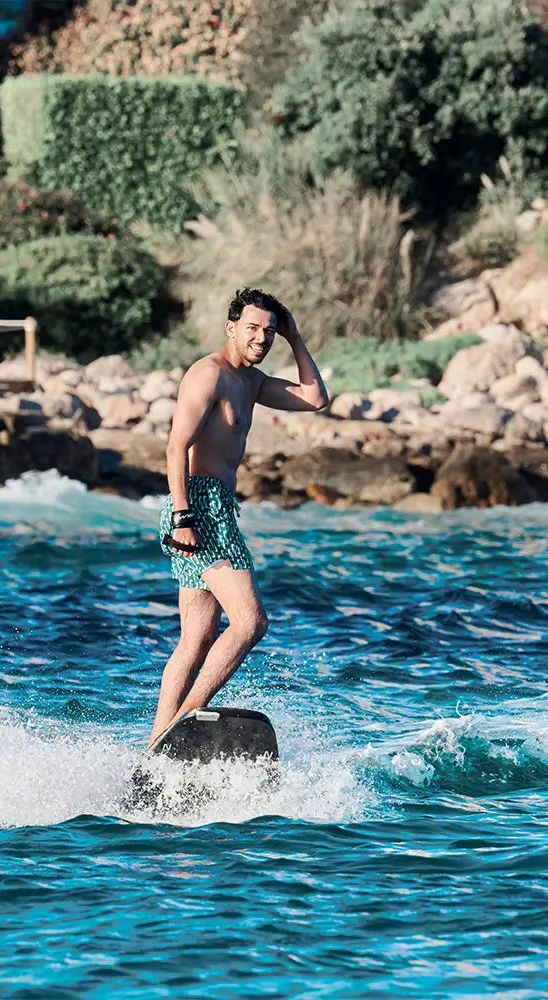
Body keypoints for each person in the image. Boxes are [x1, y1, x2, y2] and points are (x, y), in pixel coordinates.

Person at [148, 287, 330, 746]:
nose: (260, 338)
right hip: (198, 507)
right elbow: (175, 446)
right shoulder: (207, 375)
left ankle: (154, 748)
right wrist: (183, 517)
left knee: (197, 637)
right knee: (250, 622)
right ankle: (185, 723)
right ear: (231, 328)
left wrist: (294, 335)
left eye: (268, 331)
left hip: (216, 507)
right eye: (252, 328)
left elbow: (315, 398)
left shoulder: (252, 382)